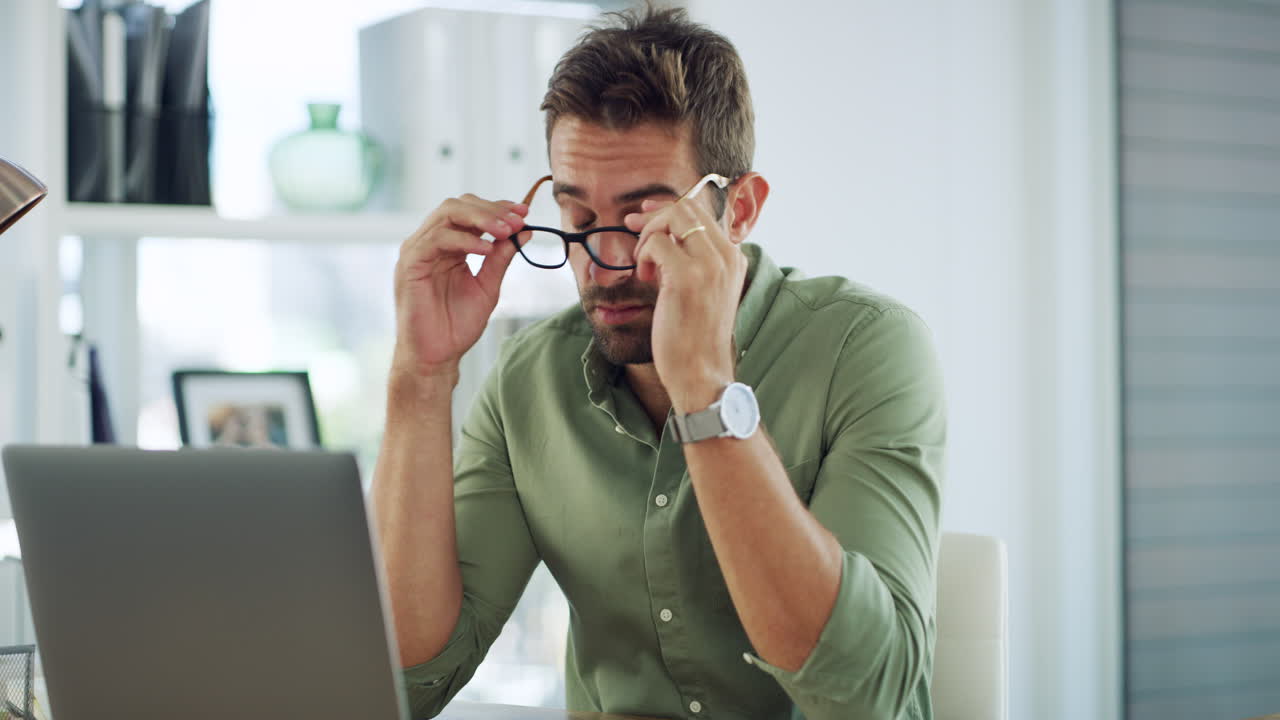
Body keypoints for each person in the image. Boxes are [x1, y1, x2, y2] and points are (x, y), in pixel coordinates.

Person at [372, 6, 945, 720]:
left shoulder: (868, 348)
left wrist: (705, 388)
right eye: (580, 220)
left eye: (646, 220)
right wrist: (421, 377)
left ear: (740, 210)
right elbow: (406, 685)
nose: (608, 264)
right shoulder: (528, 380)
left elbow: (869, 697)